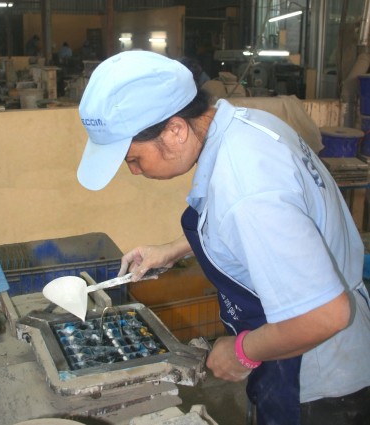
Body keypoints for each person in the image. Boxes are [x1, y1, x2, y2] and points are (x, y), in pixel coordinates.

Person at [76, 50, 370, 425]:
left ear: (176, 130)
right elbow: (272, 229)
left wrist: (242, 352)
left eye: (134, 160)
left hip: (319, 380)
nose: (134, 171)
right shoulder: (245, 125)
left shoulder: (246, 188)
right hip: (323, 345)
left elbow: (324, 315)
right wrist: (174, 249)